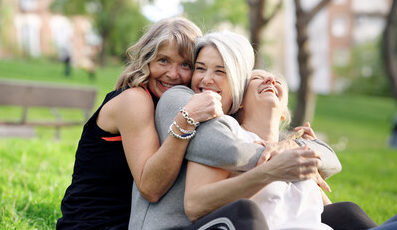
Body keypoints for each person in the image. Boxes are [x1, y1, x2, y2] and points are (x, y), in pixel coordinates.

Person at [130, 31, 341, 229]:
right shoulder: (183, 101)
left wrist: (295, 145)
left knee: (346, 212)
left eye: (220, 71)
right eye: (200, 68)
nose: (206, 79)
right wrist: (281, 161)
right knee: (245, 211)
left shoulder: (272, 142)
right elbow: (224, 147)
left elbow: (327, 168)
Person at [56, 17, 224, 229]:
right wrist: (186, 120)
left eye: (185, 64)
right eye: (163, 60)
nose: (173, 74)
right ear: (147, 60)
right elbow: (150, 187)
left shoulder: (170, 103)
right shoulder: (135, 100)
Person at [184, 69, 333, 229]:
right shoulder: (228, 132)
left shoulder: (295, 152)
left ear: (284, 111)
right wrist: (270, 172)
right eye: (256, 78)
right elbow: (194, 206)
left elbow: (330, 212)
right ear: (240, 101)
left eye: (278, 81)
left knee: (349, 211)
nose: (270, 79)